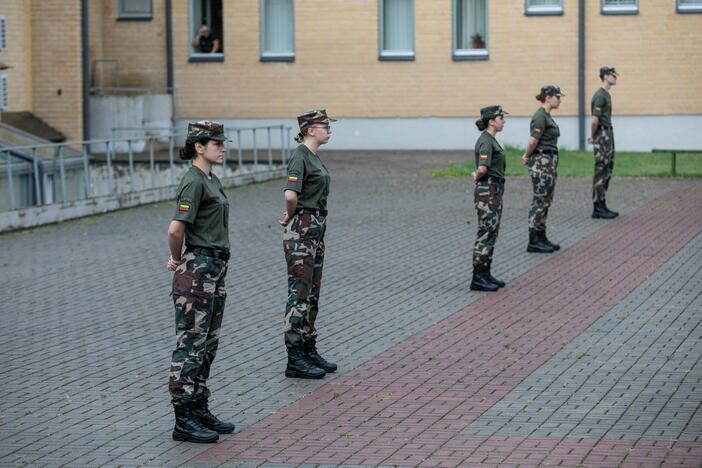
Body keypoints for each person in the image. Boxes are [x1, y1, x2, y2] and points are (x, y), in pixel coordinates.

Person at [166, 121, 234, 443]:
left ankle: (198, 406)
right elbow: (175, 229)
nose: (222, 147)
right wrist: (178, 259)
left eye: (222, 142)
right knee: (190, 343)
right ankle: (183, 418)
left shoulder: (211, 178)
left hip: (215, 268)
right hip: (198, 269)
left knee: (207, 344)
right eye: (216, 142)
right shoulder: (193, 181)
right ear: (198, 146)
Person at [278, 109, 338, 379]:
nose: (329, 130)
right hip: (302, 228)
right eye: (325, 126)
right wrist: (291, 216)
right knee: (299, 293)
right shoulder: (300, 157)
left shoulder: (313, 157)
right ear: (310, 130)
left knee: (312, 292)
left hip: (315, 228)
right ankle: (295, 357)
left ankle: (308, 347)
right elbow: (291, 195)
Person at [521, 85, 564, 253]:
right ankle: (534, 240)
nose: (559, 100)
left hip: (549, 161)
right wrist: (526, 155)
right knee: (539, 200)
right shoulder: (540, 116)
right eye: (557, 97)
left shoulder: (547, 116)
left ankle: (541, 236)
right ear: (548, 97)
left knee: (546, 200)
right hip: (541, 161)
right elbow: (533, 141)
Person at [470, 105, 508, 292]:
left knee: (491, 231)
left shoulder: (491, 140)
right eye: (501, 118)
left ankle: (486, 273)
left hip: (494, 190)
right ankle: (478, 277)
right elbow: (483, 168)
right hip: (487, 190)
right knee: (486, 232)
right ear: (491, 121)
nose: (504, 121)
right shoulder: (486, 141)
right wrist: (476, 176)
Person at [588, 66, 619, 219]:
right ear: (606, 76)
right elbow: (594, 120)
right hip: (602, 135)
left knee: (607, 168)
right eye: (613, 75)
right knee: (601, 169)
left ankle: (602, 203)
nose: (616, 77)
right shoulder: (600, 95)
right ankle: (597, 207)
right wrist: (592, 136)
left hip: (607, 133)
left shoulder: (606, 95)